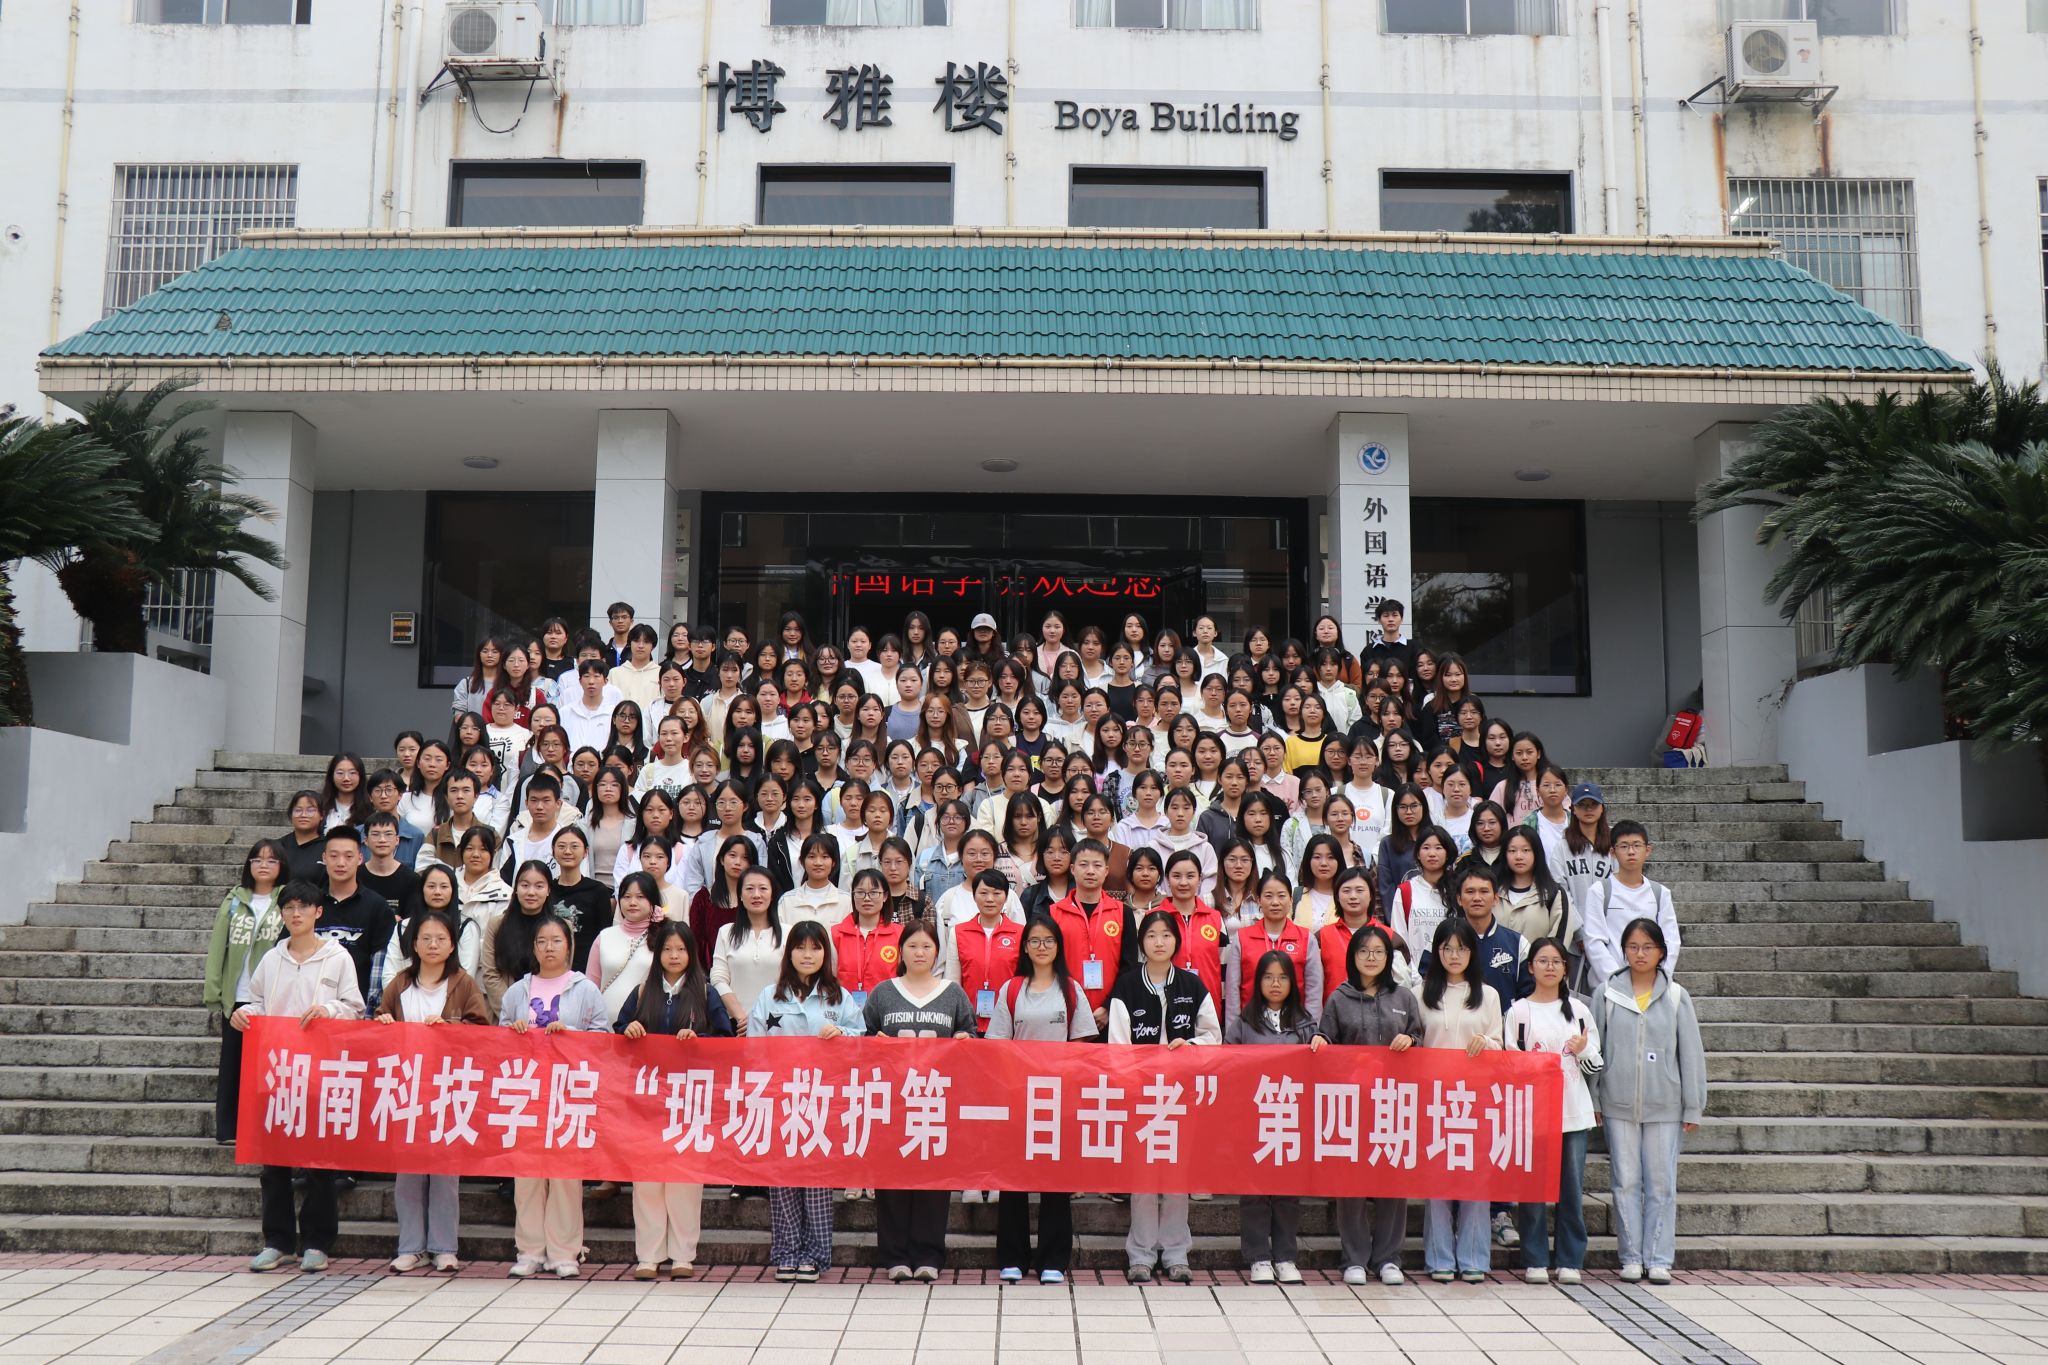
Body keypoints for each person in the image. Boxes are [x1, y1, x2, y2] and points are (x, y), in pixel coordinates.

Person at [235, 881, 364, 1274]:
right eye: (289, 907)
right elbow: (255, 1002)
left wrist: (328, 1010)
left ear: (318, 912)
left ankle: (317, 1242)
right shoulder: (272, 958)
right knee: (273, 1163)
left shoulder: (337, 957)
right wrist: (244, 1014)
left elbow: (354, 1007)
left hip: (321, 1073)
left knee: (320, 1162)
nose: (296, 914)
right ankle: (277, 1241)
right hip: (276, 1071)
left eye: (303, 907)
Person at [372, 908, 490, 1274]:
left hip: (447, 1087)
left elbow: (482, 1031)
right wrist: (383, 1021)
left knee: (444, 1173)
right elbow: (378, 1022)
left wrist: (451, 1028)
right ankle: (410, 1247)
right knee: (408, 1173)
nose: (433, 945)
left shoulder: (463, 983)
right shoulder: (400, 983)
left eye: (441, 938)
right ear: (414, 944)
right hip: (406, 1086)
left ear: (453, 945)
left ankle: (443, 1247)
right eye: (426, 938)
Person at [616, 918, 733, 1280]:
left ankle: (683, 1254)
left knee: (685, 1181)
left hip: (690, 1100)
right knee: (647, 1181)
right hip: (647, 1100)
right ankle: (649, 1255)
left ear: (692, 953)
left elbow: (726, 1039)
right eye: (667, 949)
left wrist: (699, 1041)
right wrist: (629, 1029)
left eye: (681, 949)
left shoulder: (706, 993)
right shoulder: (642, 991)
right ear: (657, 954)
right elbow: (616, 1034)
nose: (674, 955)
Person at [1591, 918, 1706, 1285]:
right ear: (1623, 951)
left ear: (1661, 952)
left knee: (1661, 1183)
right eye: (1633, 947)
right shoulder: (1607, 994)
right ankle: (1630, 1257)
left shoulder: (1676, 996)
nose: (1640, 954)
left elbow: (1691, 1054)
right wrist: (1594, 1097)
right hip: (1618, 1102)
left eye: (1647, 947)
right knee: (1624, 1181)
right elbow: (1595, 1050)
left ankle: (1658, 1257)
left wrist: (1693, 1104)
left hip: (1665, 1104)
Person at [1108, 909, 1220, 1284]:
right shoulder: (1126, 986)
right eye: (1152, 935)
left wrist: (1190, 1047)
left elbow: (1213, 1038)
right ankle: (1140, 1254)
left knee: (1176, 1176)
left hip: (1181, 1095)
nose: (1159, 942)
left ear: (1177, 941)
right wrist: (1133, 1086)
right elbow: (1118, 1046)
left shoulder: (1192, 985)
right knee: (1142, 1178)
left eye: (1166, 935)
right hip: (1140, 1096)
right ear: (1141, 942)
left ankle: (1175, 1253)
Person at [751, 921, 867, 1282]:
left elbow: (861, 1040)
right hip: (780, 1098)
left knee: (817, 1179)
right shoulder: (769, 996)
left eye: (815, 948)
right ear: (789, 954)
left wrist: (841, 1033)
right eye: (800, 948)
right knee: (783, 1178)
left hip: (822, 1099)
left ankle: (815, 1255)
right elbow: (754, 1048)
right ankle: (787, 1253)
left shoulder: (839, 997)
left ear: (825, 954)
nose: (807, 955)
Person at [1310, 923, 1422, 1285]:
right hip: (1352, 1105)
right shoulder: (1339, 998)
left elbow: (1420, 1040)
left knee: (1393, 1183)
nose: (1371, 958)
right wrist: (1321, 1042)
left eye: (1378, 952)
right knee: (1351, 1184)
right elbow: (1326, 1037)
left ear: (1389, 957)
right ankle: (1354, 1258)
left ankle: (1388, 1258)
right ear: (1352, 957)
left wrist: (1410, 1040)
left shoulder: (1404, 998)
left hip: (1393, 1103)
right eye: (1363, 951)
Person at [988, 912, 1097, 1285]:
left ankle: (1053, 1258)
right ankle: (1012, 1257)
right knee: (1012, 1181)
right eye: (1034, 941)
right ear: (1024, 947)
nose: (1041, 947)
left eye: (1048, 941)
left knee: (1055, 1181)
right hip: (1018, 1096)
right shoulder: (1011, 989)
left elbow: (1082, 1045)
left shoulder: (1071, 989)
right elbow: (998, 1045)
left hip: (1059, 1098)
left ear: (1058, 946)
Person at [864, 920, 976, 1280]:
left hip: (936, 1100)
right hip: (893, 1101)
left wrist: (964, 1041)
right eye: (912, 946)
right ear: (900, 951)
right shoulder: (883, 992)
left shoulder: (952, 993)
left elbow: (971, 1035)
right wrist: (873, 1042)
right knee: (892, 1179)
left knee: (933, 1180)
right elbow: (864, 1037)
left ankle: (929, 1254)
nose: (919, 953)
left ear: (937, 952)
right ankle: (895, 1255)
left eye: (927, 946)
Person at [500, 912, 608, 1279]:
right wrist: (513, 1032)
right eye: (542, 941)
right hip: (526, 1091)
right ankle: (530, 1250)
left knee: (565, 1175)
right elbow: (497, 1041)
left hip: (568, 1090)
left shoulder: (585, 989)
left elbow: (603, 1037)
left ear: (569, 946)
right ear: (533, 948)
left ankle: (564, 1252)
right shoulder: (518, 991)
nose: (549, 947)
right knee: (527, 1175)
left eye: (556, 941)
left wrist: (572, 1034)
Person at [1508, 936, 1602, 1285]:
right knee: (1533, 1187)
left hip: (1573, 1111)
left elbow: (1596, 1064)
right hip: (1533, 1113)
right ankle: (1534, 1258)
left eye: (1557, 962)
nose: (1550, 967)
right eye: (1543, 961)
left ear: (1566, 969)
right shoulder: (1518, 1011)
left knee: (1571, 1188)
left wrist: (1582, 1049)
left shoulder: (1579, 1011)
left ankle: (1569, 1258)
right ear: (1530, 967)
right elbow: (1509, 1061)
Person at [1416, 917, 1503, 1283]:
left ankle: (1473, 1258)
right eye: (1447, 948)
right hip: (1433, 1099)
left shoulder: (1489, 995)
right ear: (1437, 952)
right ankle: (1439, 1258)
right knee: (1436, 1181)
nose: (1454, 955)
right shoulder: (1421, 993)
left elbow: (1500, 1044)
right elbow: (1415, 1040)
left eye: (1462, 948)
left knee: (1475, 1180)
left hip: (1474, 1099)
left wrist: (1487, 1043)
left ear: (1472, 952)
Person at [1225, 950, 1316, 1285]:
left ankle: (1286, 1256)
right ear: (1257, 982)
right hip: (1254, 1117)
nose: (1275, 984)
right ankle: (1258, 1257)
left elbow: (1318, 1068)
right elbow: (1229, 1064)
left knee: (1287, 1191)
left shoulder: (1306, 1024)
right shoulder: (1245, 1023)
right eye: (1268, 977)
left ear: (1293, 982)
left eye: (1282, 977)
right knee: (1254, 1191)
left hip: (1290, 1117)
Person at [203, 838, 288, 1148]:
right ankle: (228, 1128)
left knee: (268, 1065)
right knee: (233, 1062)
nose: (263, 865)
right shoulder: (234, 900)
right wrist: (214, 991)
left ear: (282, 866)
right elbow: (218, 947)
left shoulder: (287, 899)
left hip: (271, 995)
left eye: (271, 860)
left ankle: (263, 1126)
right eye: (257, 859)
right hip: (237, 995)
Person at [1579, 820, 1681, 992]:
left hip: (1651, 985)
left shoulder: (1660, 893)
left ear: (1647, 850)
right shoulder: (1599, 891)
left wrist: (1660, 977)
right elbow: (1594, 941)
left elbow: (1671, 941)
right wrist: (1617, 980)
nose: (1631, 851)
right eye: (1624, 846)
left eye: (1637, 845)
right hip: (1610, 987)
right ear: (1612, 852)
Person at [1226, 871, 1322, 1018]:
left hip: (1294, 1024)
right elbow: (1233, 990)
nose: (1275, 902)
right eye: (1268, 896)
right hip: (1251, 1023)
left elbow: (1314, 990)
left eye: (1282, 896)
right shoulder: (1242, 938)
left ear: (1291, 900)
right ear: (1258, 900)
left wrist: (1311, 1027)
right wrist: (1234, 1029)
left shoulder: (1306, 938)